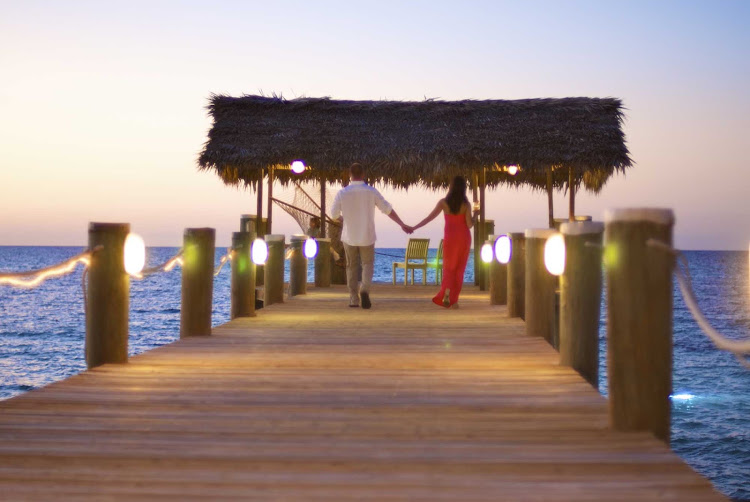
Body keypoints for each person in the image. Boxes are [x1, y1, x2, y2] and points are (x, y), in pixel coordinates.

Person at [331, 163, 412, 309]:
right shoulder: (371, 191)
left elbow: (333, 214)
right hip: (367, 235)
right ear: (363, 175)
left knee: (351, 266)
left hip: (349, 236)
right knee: (367, 264)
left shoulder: (342, 193)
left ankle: (353, 299)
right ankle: (365, 289)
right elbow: (387, 209)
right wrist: (401, 223)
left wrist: (345, 219)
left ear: (350, 175)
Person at [409, 176, 476, 309]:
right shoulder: (465, 204)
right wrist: (476, 215)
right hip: (463, 238)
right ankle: (455, 300)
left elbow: (429, 218)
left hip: (450, 238)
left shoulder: (443, 203)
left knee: (449, 268)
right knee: (459, 269)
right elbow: (469, 225)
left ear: (451, 187)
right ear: (463, 188)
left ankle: (446, 293)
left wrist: (414, 227)